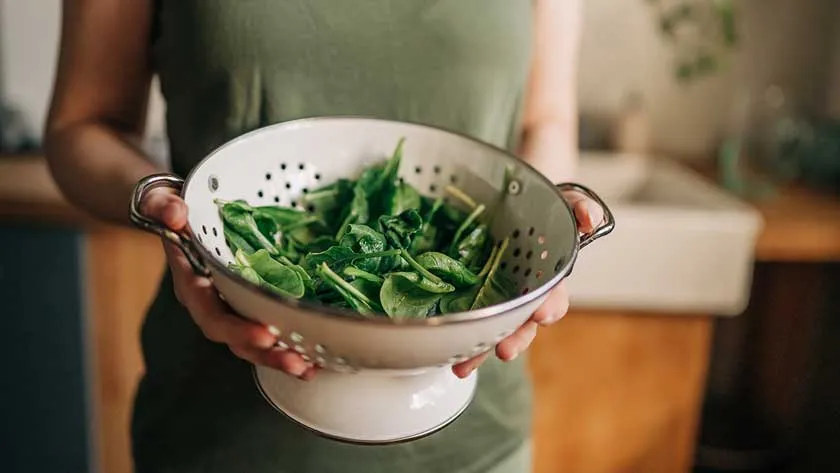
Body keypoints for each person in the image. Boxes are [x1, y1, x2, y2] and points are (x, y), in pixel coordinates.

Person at [44, 1, 597, 471]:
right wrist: (164, 207)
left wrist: (544, 216)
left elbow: (544, 119)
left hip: (473, 437)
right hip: (217, 433)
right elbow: (81, 127)